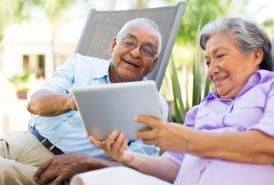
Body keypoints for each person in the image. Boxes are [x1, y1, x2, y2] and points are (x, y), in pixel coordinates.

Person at [77, 17, 274, 185]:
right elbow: (175, 165)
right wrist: (128, 157)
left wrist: (187, 139)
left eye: (220, 56)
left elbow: (268, 146)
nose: (212, 70)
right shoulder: (202, 109)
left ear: (255, 55)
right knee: (99, 180)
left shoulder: (270, 89)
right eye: (207, 62)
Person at [0, 18, 169, 185]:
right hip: (21, 141)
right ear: (113, 45)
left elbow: (140, 167)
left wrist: (86, 163)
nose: (135, 53)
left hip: (61, 169)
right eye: (129, 42)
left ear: (153, 63)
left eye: (147, 50)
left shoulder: (154, 105)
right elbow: (35, 103)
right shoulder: (80, 65)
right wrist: (74, 102)